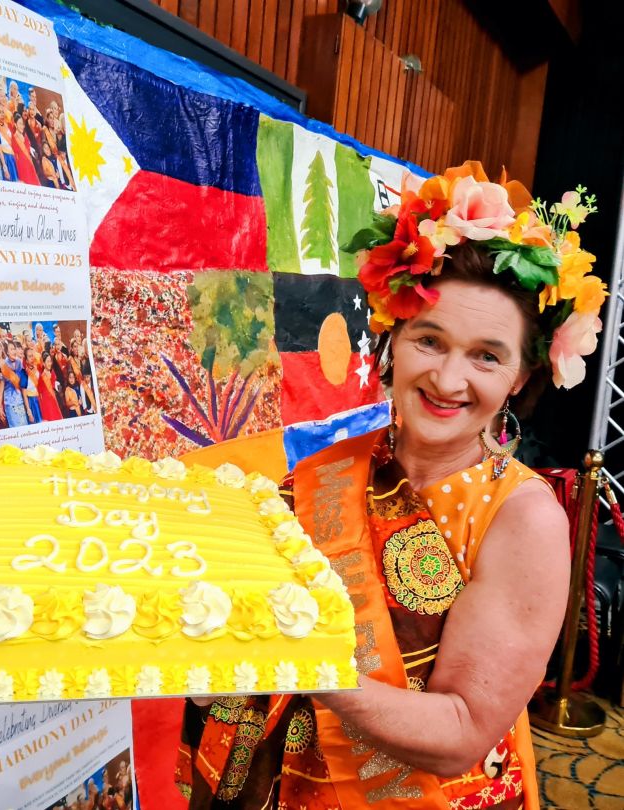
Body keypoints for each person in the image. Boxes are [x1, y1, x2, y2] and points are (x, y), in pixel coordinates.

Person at [177, 162, 608, 809]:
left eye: (487, 356)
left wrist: (298, 660)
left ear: (521, 376)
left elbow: (461, 732)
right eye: (429, 340)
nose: (449, 379)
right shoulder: (333, 467)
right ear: (392, 340)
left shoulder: (522, 519)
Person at [0, 340, 29, 427]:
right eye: (11, 349)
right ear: (7, 351)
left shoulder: (19, 363)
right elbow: (1, 389)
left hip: (20, 401)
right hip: (10, 404)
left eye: (14, 349)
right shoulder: (4, 366)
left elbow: (23, 384)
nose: (14, 351)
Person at [12, 113, 40, 185]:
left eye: (23, 124)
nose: (22, 126)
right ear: (15, 125)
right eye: (20, 124)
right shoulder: (14, 138)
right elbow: (15, 156)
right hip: (22, 167)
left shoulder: (25, 136)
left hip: (30, 165)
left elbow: (28, 149)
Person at [0, 101, 17, 182]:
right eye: (0, 112)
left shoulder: (8, 125)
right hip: (7, 159)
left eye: (3, 112)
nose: (2, 114)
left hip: (14, 157)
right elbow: (0, 150)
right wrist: (4, 167)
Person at [38, 352, 63, 421]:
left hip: (55, 401)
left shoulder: (52, 373)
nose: (50, 363)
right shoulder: (41, 377)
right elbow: (40, 394)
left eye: (50, 361)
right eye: (48, 361)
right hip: (47, 404)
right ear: (43, 363)